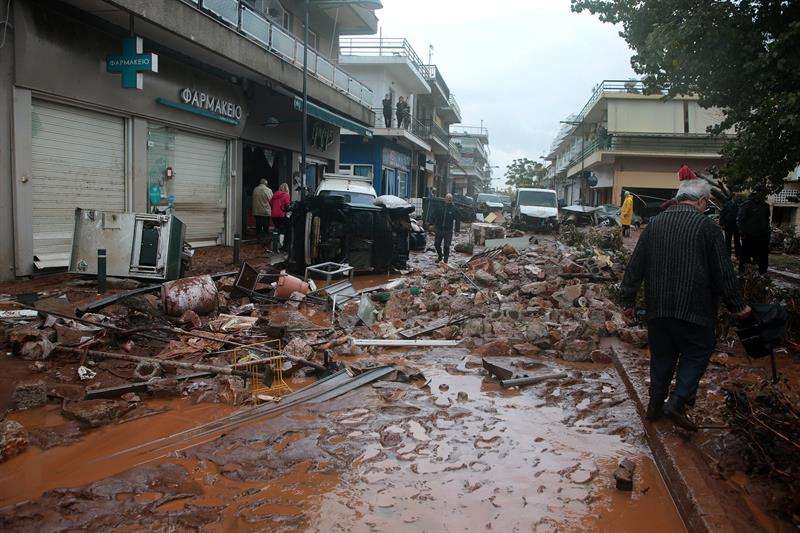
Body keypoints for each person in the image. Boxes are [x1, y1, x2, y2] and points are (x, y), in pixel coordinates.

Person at [621, 179, 751, 432]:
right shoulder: (708, 227)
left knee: (662, 356)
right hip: (696, 309)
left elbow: (635, 265)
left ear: (680, 198)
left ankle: (655, 405)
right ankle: (678, 401)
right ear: (702, 202)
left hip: (658, 308)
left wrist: (627, 300)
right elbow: (723, 272)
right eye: (707, 203)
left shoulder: (655, 224)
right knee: (698, 351)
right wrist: (738, 306)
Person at [737, 192, 771, 274]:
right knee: (745, 258)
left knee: (763, 259)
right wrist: (743, 233)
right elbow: (740, 220)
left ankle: (762, 275)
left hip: (762, 237)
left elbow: (767, 219)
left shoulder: (765, 206)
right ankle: (742, 274)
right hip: (749, 236)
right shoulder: (746, 205)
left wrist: (767, 233)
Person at [434, 194, 457, 263]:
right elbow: (434, 215)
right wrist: (431, 223)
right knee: (437, 244)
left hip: (448, 230)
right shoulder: (440, 207)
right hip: (439, 229)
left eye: (450, 199)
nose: (448, 200)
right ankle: (440, 256)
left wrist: (457, 230)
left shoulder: (453, 208)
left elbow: (458, 218)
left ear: (452, 200)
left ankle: (445, 260)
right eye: (447, 198)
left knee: (446, 246)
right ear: (445, 199)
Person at [270, 183, 291, 252]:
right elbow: (287, 205)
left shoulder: (275, 194)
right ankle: (281, 245)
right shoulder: (286, 195)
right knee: (283, 230)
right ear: (287, 188)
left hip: (274, 215)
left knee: (277, 229)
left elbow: (271, 203)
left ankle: (275, 245)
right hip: (281, 214)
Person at [252, 179, 273, 243]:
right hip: (265, 211)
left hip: (256, 211)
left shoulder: (255, 189)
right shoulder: (268, 190)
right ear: (266, 184)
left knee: (258, 226)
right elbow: (271, 200)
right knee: (266, 227)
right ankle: (265, 240)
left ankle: (258, 239)